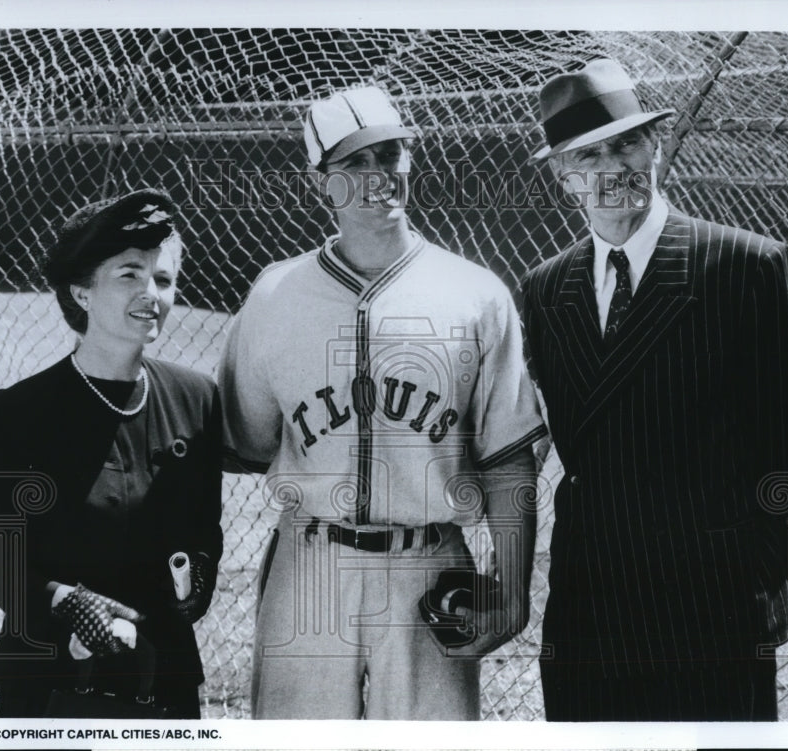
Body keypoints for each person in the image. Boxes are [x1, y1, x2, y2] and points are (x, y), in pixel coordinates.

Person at [521, 58, 788, 721]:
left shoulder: (747, 265)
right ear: (561, 174)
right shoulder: (546, 288)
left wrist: (767, 567)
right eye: (588, 153)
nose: (613, 166)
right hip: (589, 603)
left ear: (656, 143)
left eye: (627, 142)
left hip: (709, 599)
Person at [218, 85, 547, 720]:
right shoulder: (274, 295)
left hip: (430, 566)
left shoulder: (475, 294)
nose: (377, 176)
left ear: (410, 158)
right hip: (311, 563)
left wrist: (512, 588)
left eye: (390, 153)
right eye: (353, 163)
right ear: (322, 183)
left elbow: (510, 459)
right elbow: (245, 442)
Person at [0, 189, 224, 718]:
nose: (151, 293)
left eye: (164, 279)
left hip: (162, 675)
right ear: (82, 292)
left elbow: (204, 533)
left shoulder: (196, 397)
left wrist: (190, 587)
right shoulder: (19, 412)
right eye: (129, 274)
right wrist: (67, 603)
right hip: (51, 677)